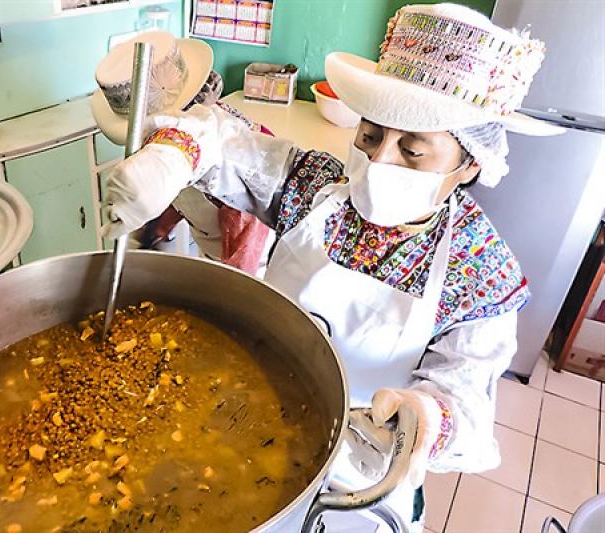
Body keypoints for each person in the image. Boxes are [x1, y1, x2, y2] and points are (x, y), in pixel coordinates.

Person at [102, 4, 562, 531]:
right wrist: (171, 159)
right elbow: (225, 142)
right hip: (246, 418)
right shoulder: (316, 186)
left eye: (413, 151)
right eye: (370, 136)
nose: (381, 160)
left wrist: (426, 417)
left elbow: (466, 392)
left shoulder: (480, 269)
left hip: (356, 477)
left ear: (469, 165)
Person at [139, 70, 275, 275]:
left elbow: (241, 270)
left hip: (255, 268)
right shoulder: (176, 144)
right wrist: (157, 230)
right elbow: (183, 191)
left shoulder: (232, 165)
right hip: (215, 248)